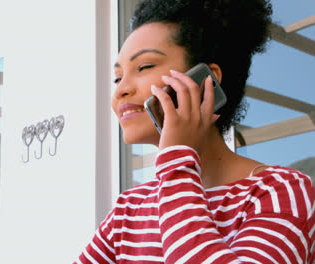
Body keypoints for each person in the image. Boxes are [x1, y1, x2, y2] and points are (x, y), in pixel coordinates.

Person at [75, 0, 315, 263]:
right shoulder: (129, 209)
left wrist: (177, 159)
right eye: (118, 77)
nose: (121, 90)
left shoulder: (281, 192)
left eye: (144, 67)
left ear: (206, 81)